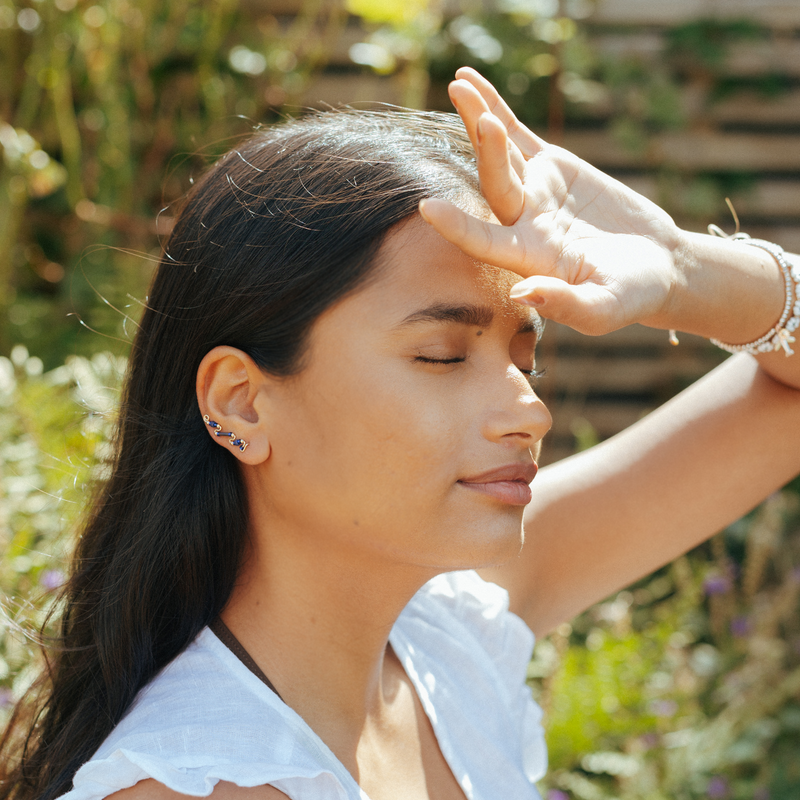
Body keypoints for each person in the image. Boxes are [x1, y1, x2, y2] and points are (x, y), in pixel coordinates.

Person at [1, 67, 799, 800]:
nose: (530, 411)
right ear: (242, 404)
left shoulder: (449, 645)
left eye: (526, 356)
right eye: (442, 355)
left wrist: (677, 266)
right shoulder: (201, 783)